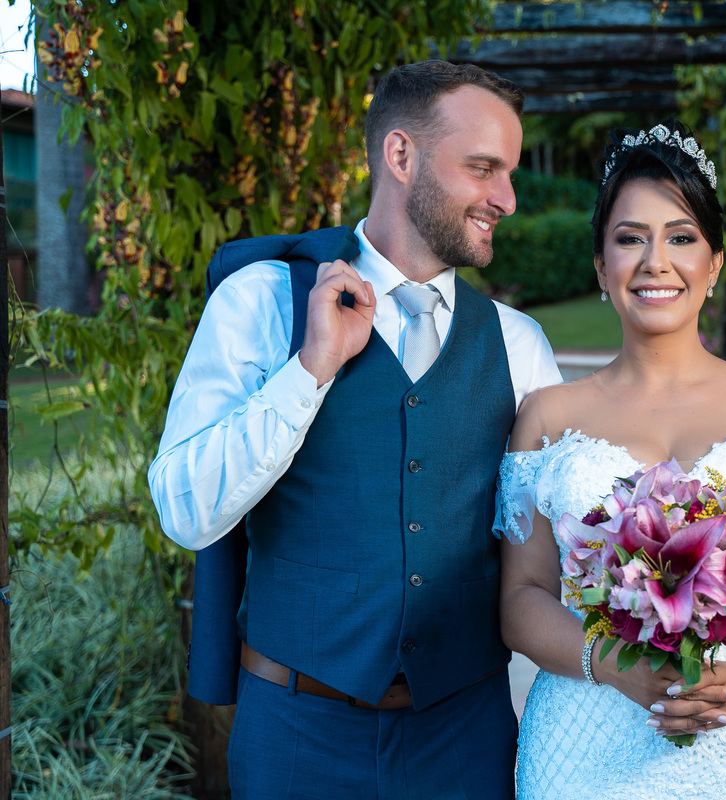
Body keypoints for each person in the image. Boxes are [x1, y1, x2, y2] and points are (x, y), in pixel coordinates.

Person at [148, 60, 561, 799]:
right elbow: (184, 511)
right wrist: (308, 369)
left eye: (510, 172)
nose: (508, 197)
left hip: (465, 740)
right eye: (483, 169)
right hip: (294, 739)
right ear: (400, 156)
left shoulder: (517, 343)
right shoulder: (264, 303)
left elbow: (564, 542)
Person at [494, 121, 726, 798]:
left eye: (681, 237)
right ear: (601, 266)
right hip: (589, 744)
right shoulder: (547, 417)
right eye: (630, 239)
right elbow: (521, 598)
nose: (654, 261)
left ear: (715, 263)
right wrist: (609, 662)